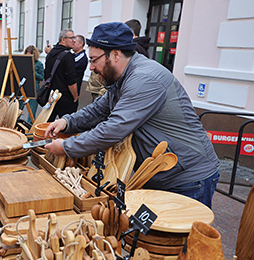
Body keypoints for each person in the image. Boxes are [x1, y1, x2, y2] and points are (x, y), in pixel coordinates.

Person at [45, 22, 220, 208]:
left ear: (115, 54)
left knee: (179, 236)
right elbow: (97, 110)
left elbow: (113, 129)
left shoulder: (145, 78)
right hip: (158, 172)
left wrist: (66, 147)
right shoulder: (121, 78)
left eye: (94, 60)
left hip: (187, 177)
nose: (91, 67)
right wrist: (66, 122)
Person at [44, 29, 78, 121]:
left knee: (47, 126)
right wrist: (75, 97)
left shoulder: (50, 53)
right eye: (72, 38)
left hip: (51, 96)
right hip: (65, 98)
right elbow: (71, 80)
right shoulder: (68, 56)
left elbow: (46, 74)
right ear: (63, 40)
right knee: (67, 127)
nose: (74, 40)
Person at [24, 45, 44, 123]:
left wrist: (33, 72)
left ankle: (29, 128)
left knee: (32, 112)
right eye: (27, 55)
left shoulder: (39, 64)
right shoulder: (23, 62)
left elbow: (41, 77)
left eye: (30, 56)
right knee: (18, 109)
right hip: (23, 88)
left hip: (34, 89)